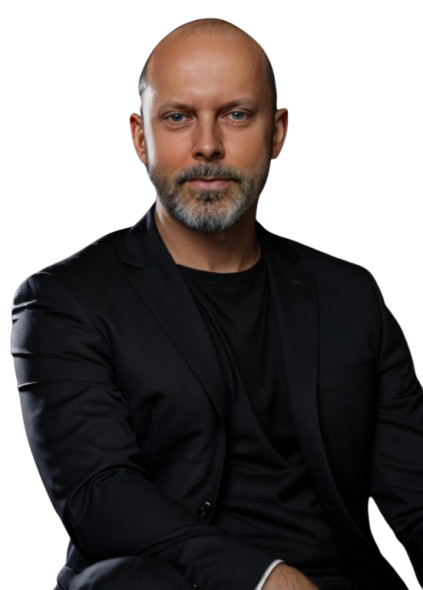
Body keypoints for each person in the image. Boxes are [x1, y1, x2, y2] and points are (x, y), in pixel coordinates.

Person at [10, 16, 422, 590]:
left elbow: (414, 491)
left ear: (277, 132)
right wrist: (263, 578)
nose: (207, 144)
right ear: (140, 137)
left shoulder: (351, 294)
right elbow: (98, 496)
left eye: (236, 114)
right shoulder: (64, 300)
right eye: (178, 117)